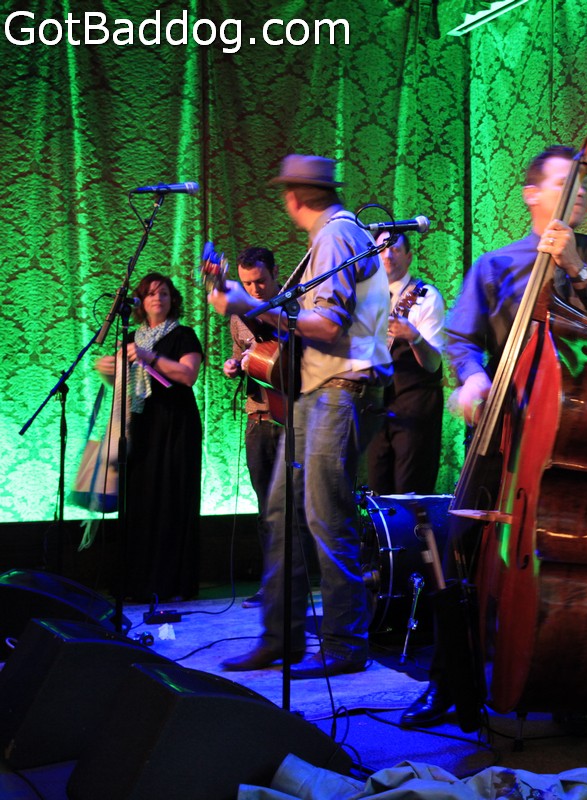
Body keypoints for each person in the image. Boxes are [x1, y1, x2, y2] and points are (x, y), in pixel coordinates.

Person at [400, 144, 587, 729]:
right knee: (459, 550)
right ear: (532, 194)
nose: (581, 191)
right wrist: (473, 377)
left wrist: (576, 268)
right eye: (566, 182)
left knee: (562, 561)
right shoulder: (495, 264)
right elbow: (461, 339)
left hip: (563, 431)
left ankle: (562, 680)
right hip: (500, 432)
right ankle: (446, 682)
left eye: (584, 184)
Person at [209, 154, 392, 679]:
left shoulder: (336, 236)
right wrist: (242, 303)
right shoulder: (329, 239)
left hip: (340, 388)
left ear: (295, 197)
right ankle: (281, 637)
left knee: (325, 515)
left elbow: (327, 325)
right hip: (317, 390)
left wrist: (246, 303)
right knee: (282, 514)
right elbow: (306, 321)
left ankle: (344, 643)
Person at [95, 272, 204, 602]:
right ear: (140, 301)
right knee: (140, 501)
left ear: (173, 300)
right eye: (151, 293)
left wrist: (148, 357)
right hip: (141, 424)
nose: (158, 298)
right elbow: (125, 384)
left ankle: (171, 584)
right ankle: (138, 583)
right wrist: (109, 370)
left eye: (164, 293)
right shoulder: (131, 337)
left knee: (172, 499)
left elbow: (188, 375)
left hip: (175, 425)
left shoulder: (183, 335)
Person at [221, 247, 284, 608]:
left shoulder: (294, 309)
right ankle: (270, 583)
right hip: (257, 416)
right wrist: (233, 366)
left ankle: (296, 582)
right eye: (246, 283)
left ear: (275, 272)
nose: (254, 289)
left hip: (290, 418)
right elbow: (241, 356)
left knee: (294, 507)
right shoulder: (238, 317)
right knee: (265, 508)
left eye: (260, 280)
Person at [364, 231, 447, 495]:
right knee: (378, 493)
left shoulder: (426, 296)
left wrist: (414, 337)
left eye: (395, 249)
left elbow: (433, 363)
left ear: (409, 257)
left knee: (409, 493)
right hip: (376, 408)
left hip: (414, 409)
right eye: (382, 249)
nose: (388, 255)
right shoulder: (365, 298)